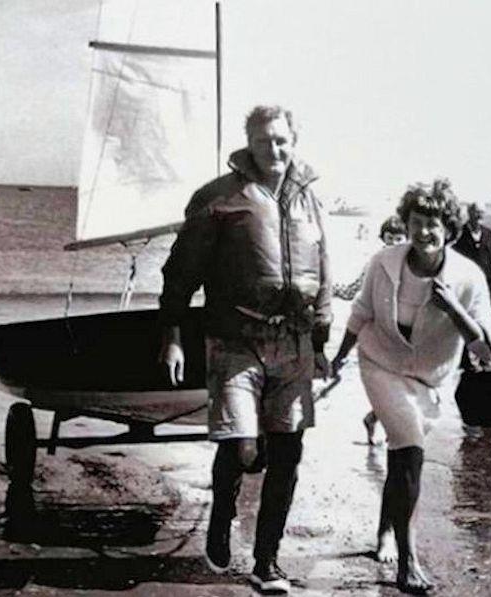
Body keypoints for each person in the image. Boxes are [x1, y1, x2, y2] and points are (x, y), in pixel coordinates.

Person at [158, 105, 331, 594]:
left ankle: (267, 562)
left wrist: (319, 338)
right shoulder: (219, 198)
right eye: (263, 141)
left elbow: (324, 270)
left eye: (281, 140)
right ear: (248, 144)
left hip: (293, 342)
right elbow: (180, 272)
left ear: (294, 139)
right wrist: (171, 334)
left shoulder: (309, 199)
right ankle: (222, 515)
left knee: (288, 449)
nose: (273, 150)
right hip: (236, 340)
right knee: (241, 444)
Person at [331, 178, 491, 594]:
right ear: (406, 222)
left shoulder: (468, 277)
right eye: (417, 221)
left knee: (400, 457)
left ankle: (386, 530)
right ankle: (410, 561)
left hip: (429, 378)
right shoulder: (384, 262)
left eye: (434, 224)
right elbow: (361, 313)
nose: (424, 231)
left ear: (450, 231)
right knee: (410, 451)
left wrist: (454, 308)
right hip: (380, 364)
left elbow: (485, 350)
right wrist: (338, 357)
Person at [332, 215, 408, 445]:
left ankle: (374, 417)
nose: (393, 243)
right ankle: (382, 422)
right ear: (382, 239)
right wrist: (326, 286)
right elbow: (351, 292)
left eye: (398, 238)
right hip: (378, 334)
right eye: (389, 238)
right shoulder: (375, 263)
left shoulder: (412, 266)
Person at [452, 201, 491, 301]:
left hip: (486, 282)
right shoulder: (459, 233)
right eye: (477, 212)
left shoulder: (490, 235)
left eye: (482, 212)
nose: (479, 216)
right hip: (465, 282)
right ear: (469, 212)